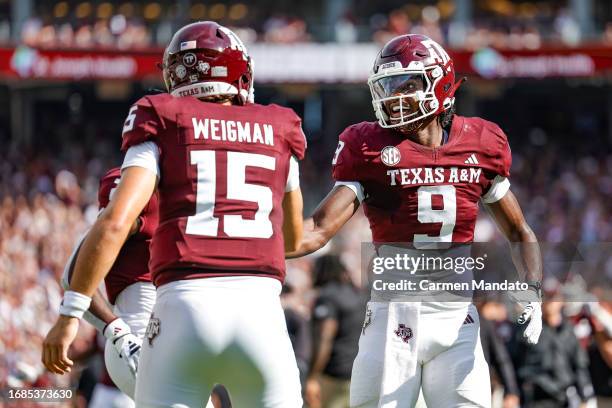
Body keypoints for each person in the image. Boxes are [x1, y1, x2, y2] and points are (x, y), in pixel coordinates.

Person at [42, 21, 306, 407]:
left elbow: (114, 222)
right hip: (260, 311)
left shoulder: (163, 120)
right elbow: (295, 239)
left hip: (182, 306)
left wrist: (70, 315)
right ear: (240, 74)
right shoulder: (279, 126)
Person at [288, 34, 542, 407]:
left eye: (407, 84)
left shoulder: (480, 143)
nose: (394, 96)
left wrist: (532, 289)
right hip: (393, 317)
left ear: (439, 84)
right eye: (387, 86)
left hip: (458, 322)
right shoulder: (369, 147)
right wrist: (253, 248)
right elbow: (318, 230)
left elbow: (519, 230)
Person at [306, 254, 368, 408]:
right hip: (362, 373)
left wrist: (312, 377)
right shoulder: (360, 294)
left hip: (335, 376)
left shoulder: (327, 297)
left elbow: (325, 337)